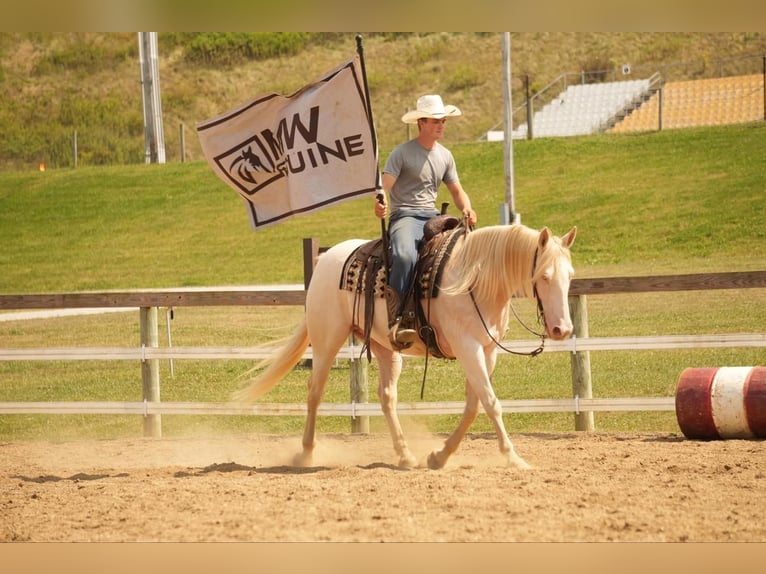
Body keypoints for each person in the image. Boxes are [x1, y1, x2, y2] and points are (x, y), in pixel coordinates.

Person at [374, 94, 478, 348]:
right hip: (406, 215)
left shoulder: (445, 156)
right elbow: (384, 186)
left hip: (433, 216)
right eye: (436, 121)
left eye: (443, 121)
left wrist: (466, 207)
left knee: (465, 252)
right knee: (406, 256)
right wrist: (380, 203)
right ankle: (397, 318)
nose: (441, 125)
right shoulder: (402, 153)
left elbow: (456, 190)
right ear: (421, 122)